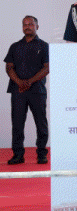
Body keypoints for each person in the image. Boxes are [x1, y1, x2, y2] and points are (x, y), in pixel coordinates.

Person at [5, 16, 49, 165]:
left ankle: (42, 154)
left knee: (41, 123)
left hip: (37, 90)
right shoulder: (15, 46)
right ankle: (18, 155)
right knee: (17, 124)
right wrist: (20, 82)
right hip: (18, 91)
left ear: (37, 26)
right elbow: (9, 67)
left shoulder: (44, 46)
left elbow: (47, 68)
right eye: (25, 24)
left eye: (31, 24)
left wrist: (29, 82)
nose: (27, 26)